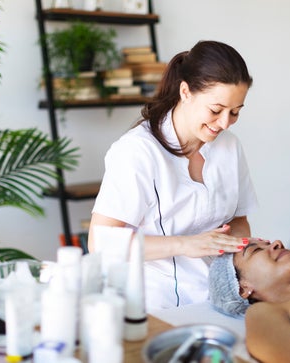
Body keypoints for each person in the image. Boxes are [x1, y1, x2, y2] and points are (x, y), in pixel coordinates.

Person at [89, 40, 258, 311]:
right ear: (185, 92)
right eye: (215, 110)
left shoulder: (229, 146)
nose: (225, 123)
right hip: (150, 302)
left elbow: (239, 220)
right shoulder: (137, 151)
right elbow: (101, 243)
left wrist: (237, 247)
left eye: (235, 112)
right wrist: (185, 244)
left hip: (216, 296)